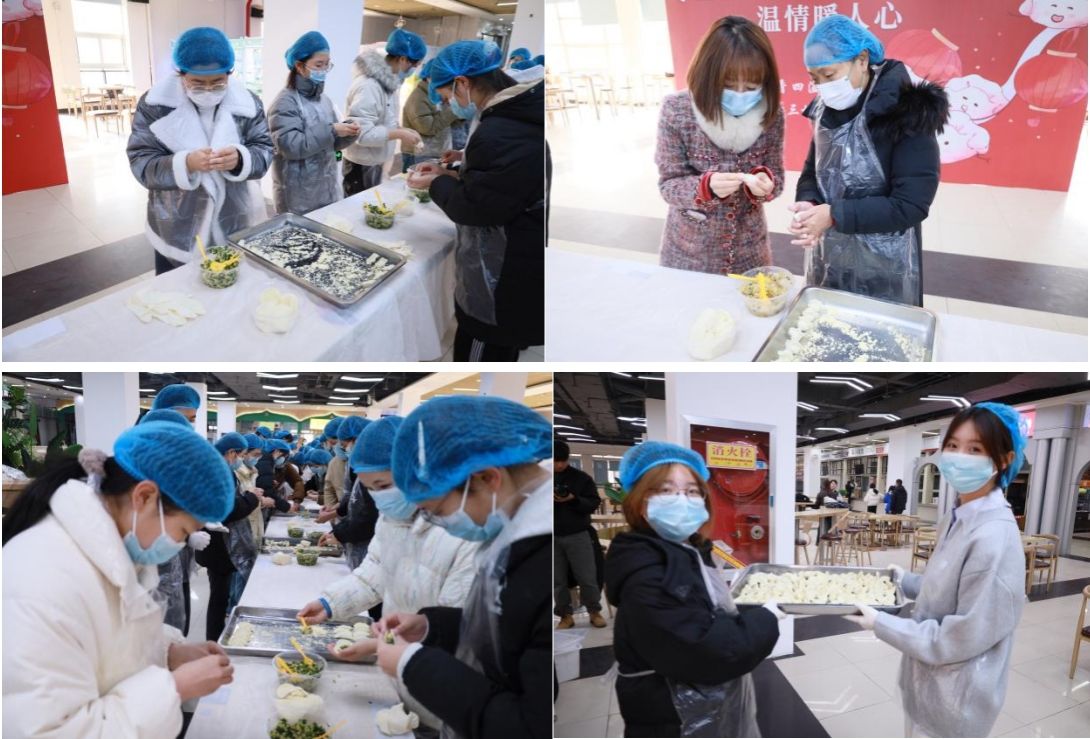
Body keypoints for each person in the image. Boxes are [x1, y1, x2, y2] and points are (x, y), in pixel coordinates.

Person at [2, 421, 237, 737]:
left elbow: (107, 639)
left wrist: (168, 653)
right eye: (183, 531)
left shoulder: (110, 553)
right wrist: (174, 688)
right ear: (144, 496)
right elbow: (49, 730)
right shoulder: (44, 578)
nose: (180, 545)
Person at [844, 403, 1028, 737]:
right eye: (953, 445)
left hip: (957, 698)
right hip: (927, 684)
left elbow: (959, 637)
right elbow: (944, 586)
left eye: (975, 449)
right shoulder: (960, 515)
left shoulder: (993, 537)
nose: (959, 457)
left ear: (1004, 460)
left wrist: (880, 623)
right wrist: (903, 580)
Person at [374, 396, 551, 739]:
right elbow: (509, 635)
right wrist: (432, 627)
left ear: (487, 479)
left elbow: (529, 725)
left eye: (439, 512)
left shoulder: (541, 561)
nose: (440, 524)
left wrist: (415, 666)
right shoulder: (509, 538)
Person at [297, 416, 480, 732]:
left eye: (383, 486)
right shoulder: (392, 517)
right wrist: (330, 603)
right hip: (398, 667)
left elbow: (457, 626)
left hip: (443, 683)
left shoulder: (467, 532)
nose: (379, 498)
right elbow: (376, 570)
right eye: (370, 489)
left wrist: (383, 646)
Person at [605, 441, 783, 737]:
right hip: (671, 714)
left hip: (709, 703)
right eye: (665, 490)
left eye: (691, 491)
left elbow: (705, 612)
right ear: (640, 501)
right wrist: (767, 617)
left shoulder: (689, 550)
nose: (682, 500)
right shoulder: (646, 574)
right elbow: (710, 652)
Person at [788, 14, 948, 306]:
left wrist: (834, 214)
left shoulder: (908, 113)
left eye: (829, 75)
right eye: (814, 79)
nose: (823, 87)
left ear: (862, 60)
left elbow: (911, 204)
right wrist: (808, 202)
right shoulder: (824, 109)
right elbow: (813, 170)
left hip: (886, 263)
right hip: (830, 256)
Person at [406, 40, 546, 362]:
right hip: (520, 263)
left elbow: (474, 208)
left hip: (502, 276)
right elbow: (500, 182)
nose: (450, 104)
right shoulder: (517, 116)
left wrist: (437, 183)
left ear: (462, 83)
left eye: (447, 95)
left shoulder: (500, 130)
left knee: (481, 353)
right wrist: (451, 172)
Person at [127, 26, 272, 275]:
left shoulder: (248, 103)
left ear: (230, 73)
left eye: (217, 82)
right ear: (181, 74)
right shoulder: (155, 105)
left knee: (231, 287)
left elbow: (265, 148)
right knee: (176, 290)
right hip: (176, 224)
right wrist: (185, 164)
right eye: (197, 82)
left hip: (235, 217)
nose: (208, 90)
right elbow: (141, 161)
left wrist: (241, 159)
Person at [655, 16, 784, 275]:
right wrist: (704, 187)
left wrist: (766, 185)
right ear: (707, 75)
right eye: (728, 86)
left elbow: (777, 178)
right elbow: (668, 185)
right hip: (690, 253)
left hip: (750, 251)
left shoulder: (771, 114)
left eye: (751, 86)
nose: (740, 94)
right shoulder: (678, 110)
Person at [268, 31, 360, 215]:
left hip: (326, 188)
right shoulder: (285, 102)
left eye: (327, 64)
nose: (324, 70)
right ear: (299, 66)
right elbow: (291, 146)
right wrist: (332, 130)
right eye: (319, 65)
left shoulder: (324, 100)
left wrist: (348, 133)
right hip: (297, 195)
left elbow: (330, 143)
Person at [342, 28, 426, 196]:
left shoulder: (389, 84)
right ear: (402, 59)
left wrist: (402, 130)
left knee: (374, 202)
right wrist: (399, 134)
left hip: (375, 160)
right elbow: (362, 134)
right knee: (360, 207)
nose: (415, 69)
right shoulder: (369, 86)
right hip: (361, 163)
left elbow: (386, 120)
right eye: (414, 65)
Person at [195, 432, 259, 641]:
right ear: (231, 452)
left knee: (220, 596)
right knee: (218, 598)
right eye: (241, 455)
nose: (241, 459)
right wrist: (252, 498)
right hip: (218, 545)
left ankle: (215, 637)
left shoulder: (216, 469)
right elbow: (227, 510)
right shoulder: (217, 472)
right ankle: (214, 640)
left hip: (218, 545)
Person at [553, 440, 607, 629]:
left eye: (563, 460)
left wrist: (573, 499)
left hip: (578, 534)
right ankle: (565, 615)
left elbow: (593, 502)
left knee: (587, 576)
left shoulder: (581, 479)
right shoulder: (542, 478)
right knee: (557, 579)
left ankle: (594, 611)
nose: (560, 465)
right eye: (555, 461)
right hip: (552, 536)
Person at [322, 417, 379, 572]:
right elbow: (353, 501)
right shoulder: (356, 465)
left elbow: (368, 517)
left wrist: (339, 533)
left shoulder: (374, 471)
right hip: (355, 534)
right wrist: (336, 517)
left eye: (344, 444)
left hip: (368, 542)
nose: (344, 448)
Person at [402, 59, 461, 173]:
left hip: (439, 151)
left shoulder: (438, 95)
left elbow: (450, 121)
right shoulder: (418, 98)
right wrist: (452, 110)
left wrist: (461, 110)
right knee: (417, 180)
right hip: (420, 154)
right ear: (429, 78)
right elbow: (428, 128)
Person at [320, 417, 348, 510]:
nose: (338, 446)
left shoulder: (364, 462)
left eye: (343, 443)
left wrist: (338, 509)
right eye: (332, 444)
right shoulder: (334, 463)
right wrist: (329, 508)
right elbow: (329, 489)